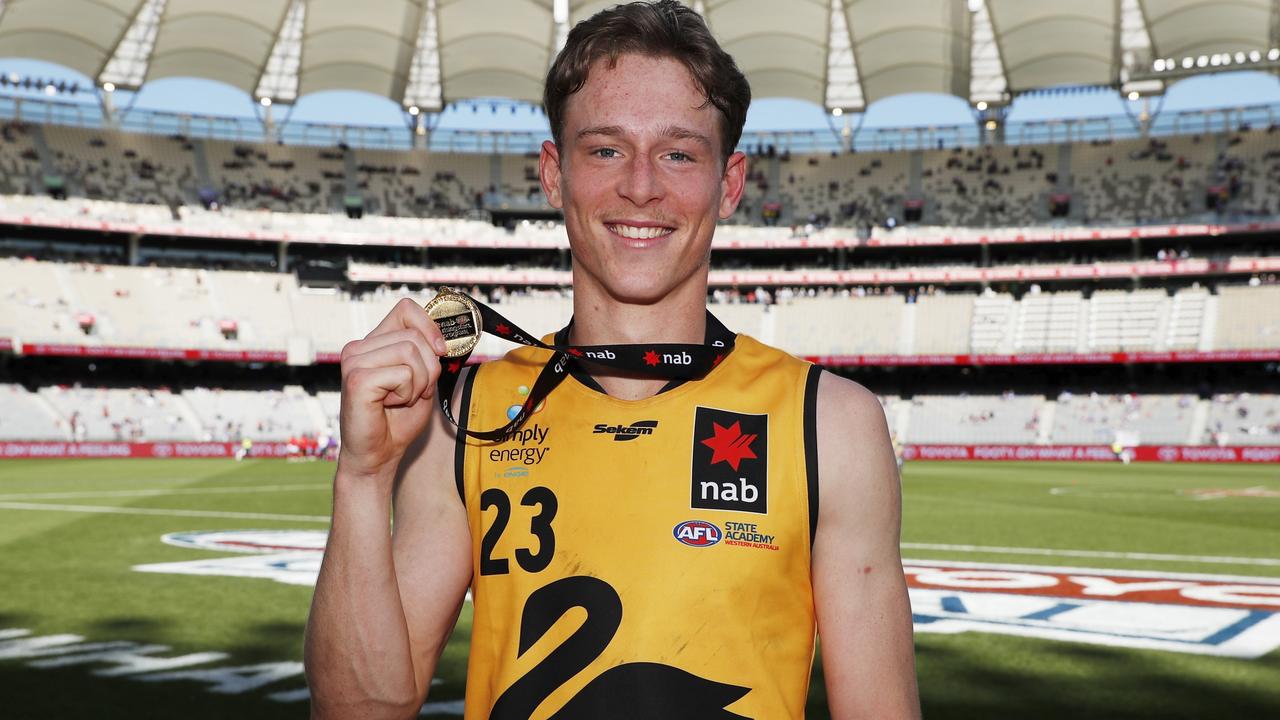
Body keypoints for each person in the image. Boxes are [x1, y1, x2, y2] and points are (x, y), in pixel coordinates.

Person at [304, 2, 919, 718]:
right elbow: (357, 711)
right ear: (553, 174)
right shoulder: (461, 418)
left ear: (729, 183)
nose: (641, 185)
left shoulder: (832, 425)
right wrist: (363, 477)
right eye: (605, 149)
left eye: (680, 153)